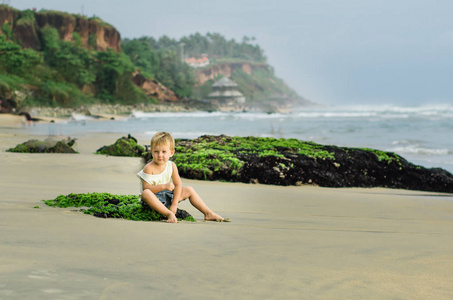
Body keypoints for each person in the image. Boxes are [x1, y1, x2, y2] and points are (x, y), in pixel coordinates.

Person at [137, 132, 228, 223]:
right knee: (146, 193)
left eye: (164, 152)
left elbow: (178, 185)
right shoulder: (149, 168)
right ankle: (168, 214)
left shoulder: (172, 165)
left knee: (189, 189)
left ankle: (208, 213)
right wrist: (163, 186)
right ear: (151, 151)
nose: (160, 155)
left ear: (171, 153)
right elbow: (146, 188)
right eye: (156, 152)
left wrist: (174, 204)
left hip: (167, 197)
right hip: (153, 200)